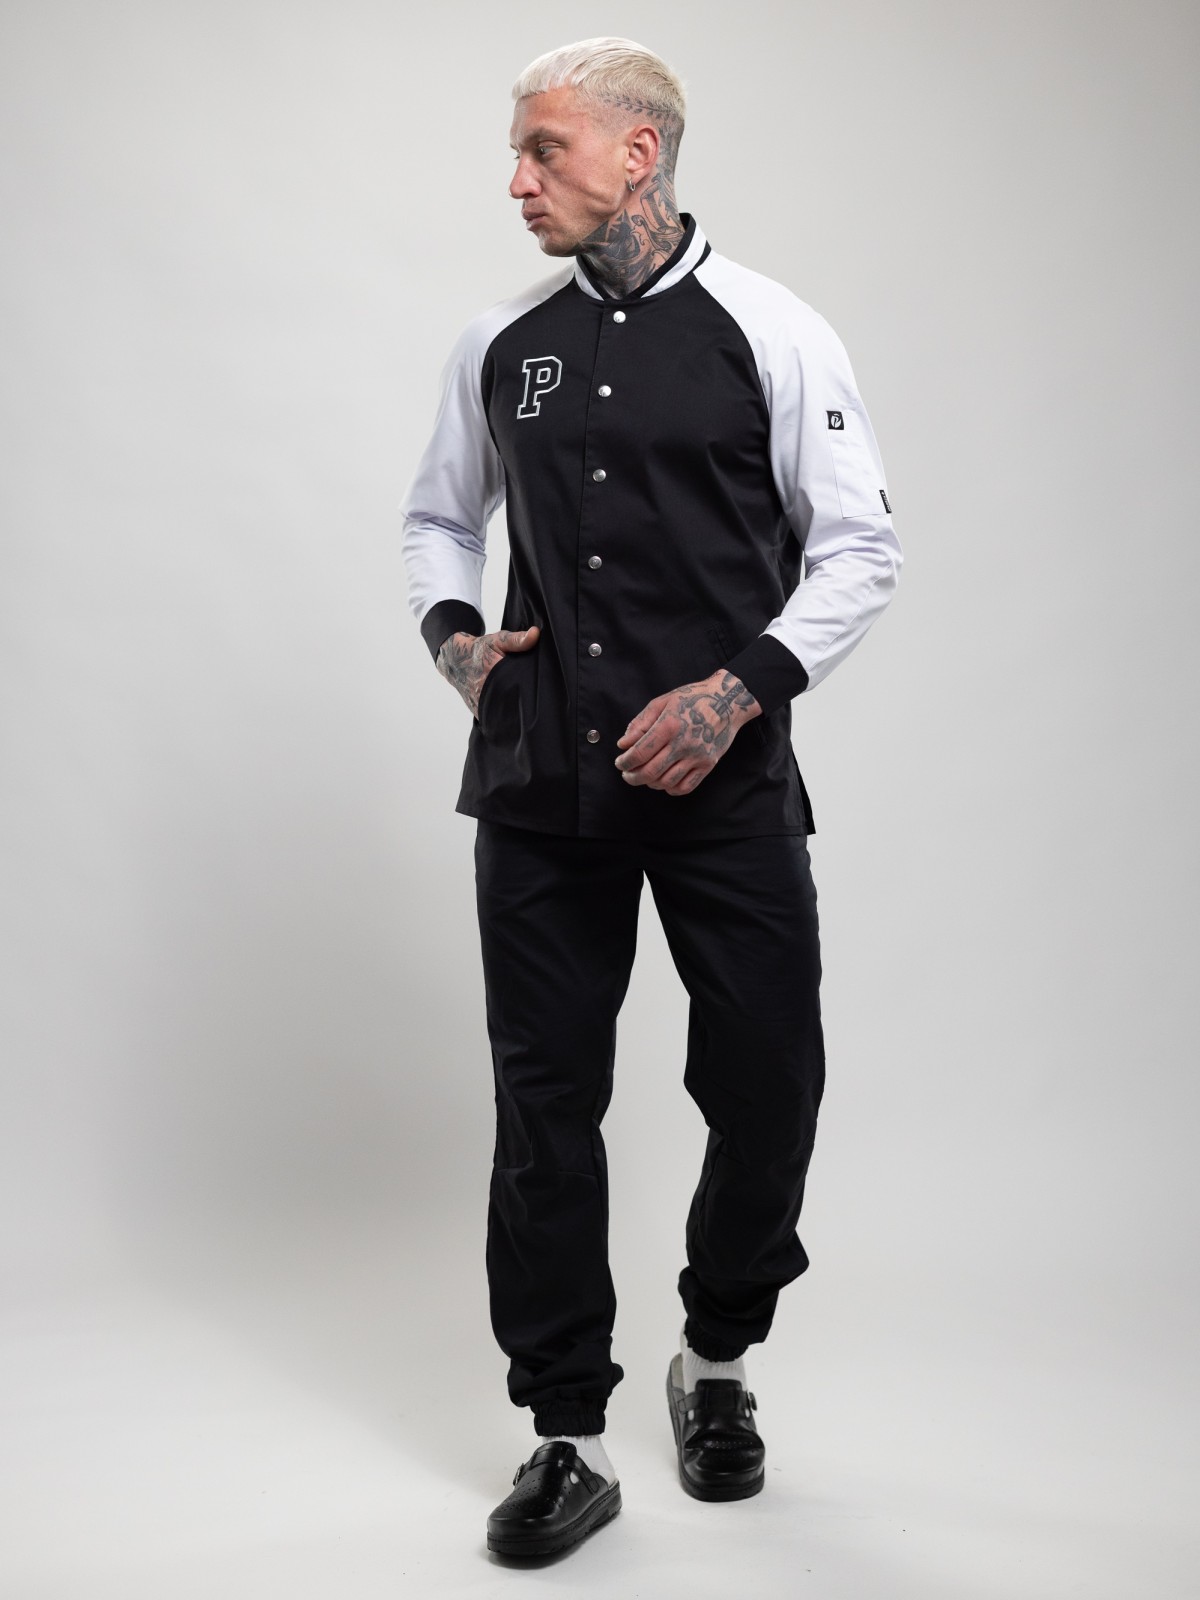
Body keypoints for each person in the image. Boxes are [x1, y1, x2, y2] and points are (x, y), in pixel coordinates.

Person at [400, 35, 902, 1558]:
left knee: (769, 1082)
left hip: (724, 785)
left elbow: (860, 548)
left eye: (543, 148)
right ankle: (564, 1430)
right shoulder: (503, 343)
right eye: (518, 151)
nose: (516, 180)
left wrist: (735, 692)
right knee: (546, 1106)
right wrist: (457, 639)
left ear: (640, 153)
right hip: (539, 785)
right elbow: (438, 520)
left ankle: (718, 1358)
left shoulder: (774, 329)